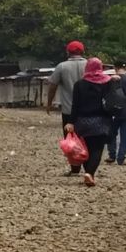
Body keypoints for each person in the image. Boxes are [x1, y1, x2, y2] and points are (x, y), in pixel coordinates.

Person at [69, 58, 119, 187]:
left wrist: (71, 122)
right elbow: (113, 99)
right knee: (97, 149)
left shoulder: (79, 84)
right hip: (101, 120)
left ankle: (88, 172)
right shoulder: (108, 82)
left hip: (83, 121)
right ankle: (90, 173)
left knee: (86, 149)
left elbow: (75, 105)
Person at [46, 40, 88, 175]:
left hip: (68, 111)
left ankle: (75, 168)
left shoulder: (62, 67)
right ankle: (89, 168)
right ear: (82, 51)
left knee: (71, 140)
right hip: (88, 109)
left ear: (68, 52)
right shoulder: (89, 65)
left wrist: (49, 102)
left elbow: (52, 85)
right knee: (87, 138)